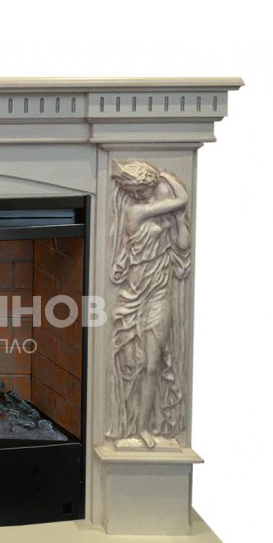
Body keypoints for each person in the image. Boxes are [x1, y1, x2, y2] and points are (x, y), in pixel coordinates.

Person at [107, 160, 191, 448]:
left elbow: (183, 245)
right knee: (131, 363)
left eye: (141, 190)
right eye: (134, 191)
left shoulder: (162, 215)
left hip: (159, 291)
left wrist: (179, 220)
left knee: (152, 364)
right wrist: (167, 176)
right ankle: (128, 423)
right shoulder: (135, 211)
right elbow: (182, 198)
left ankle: (143, 427)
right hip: (133, 295)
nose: (138, 195)